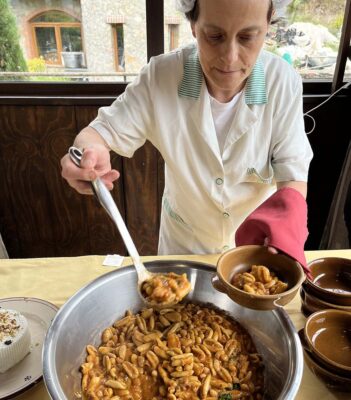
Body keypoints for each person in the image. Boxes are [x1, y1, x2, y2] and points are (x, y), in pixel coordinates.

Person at [61, 0, 313, 265]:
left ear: (269, 21)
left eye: (247, 37)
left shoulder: (282, 82)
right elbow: (99, 133)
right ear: (193, 24)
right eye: (214, 36)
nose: (230, 57)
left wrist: (286, 227)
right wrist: (86, 153)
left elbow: (292, 171)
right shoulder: (162, 76)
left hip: (253, 250)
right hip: (184, 247)